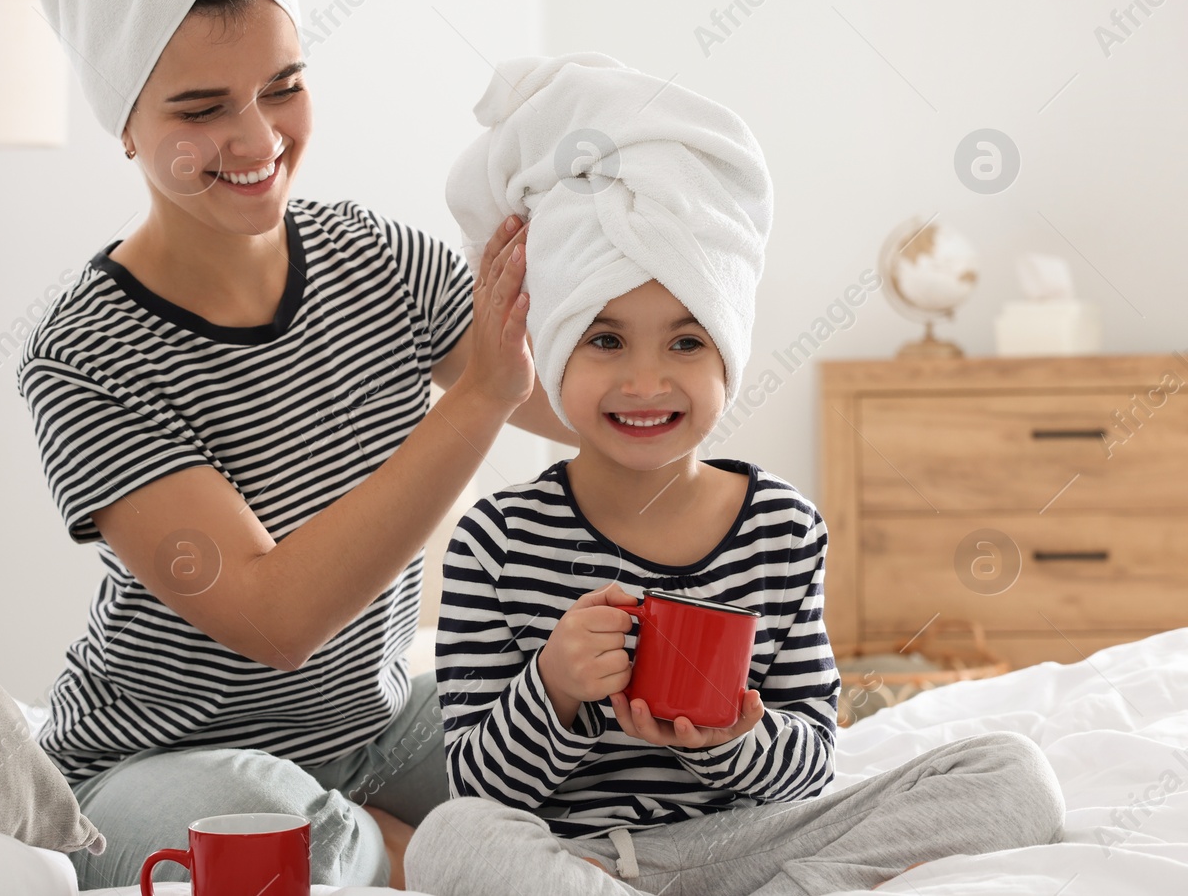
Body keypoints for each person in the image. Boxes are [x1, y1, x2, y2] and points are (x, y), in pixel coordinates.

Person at [13, 0, 573, 888]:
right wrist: (478, 400)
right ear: (124, 123)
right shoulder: (86, 353)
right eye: (198, 107)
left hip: (369, 724)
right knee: (269, 834)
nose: (256, 136)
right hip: (150, 760)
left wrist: (620, 232)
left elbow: (599, 405)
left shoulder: (380, 260)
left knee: (577, 756)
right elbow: (277, 615)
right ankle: (405, 853)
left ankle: (410, 843)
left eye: (281, 86)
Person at [403, 54, 1066, 895]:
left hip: (758, 841)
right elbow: (483, 785)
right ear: (557, 349)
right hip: (583, 858)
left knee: (1011, 771)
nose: (646, 382)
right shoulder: (495, 543)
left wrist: (731, 743)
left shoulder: (782, 527)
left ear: (729, 355)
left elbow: (813, 759)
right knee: (450, 837)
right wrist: (555, 688)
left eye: (686, 341)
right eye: (606, 340)